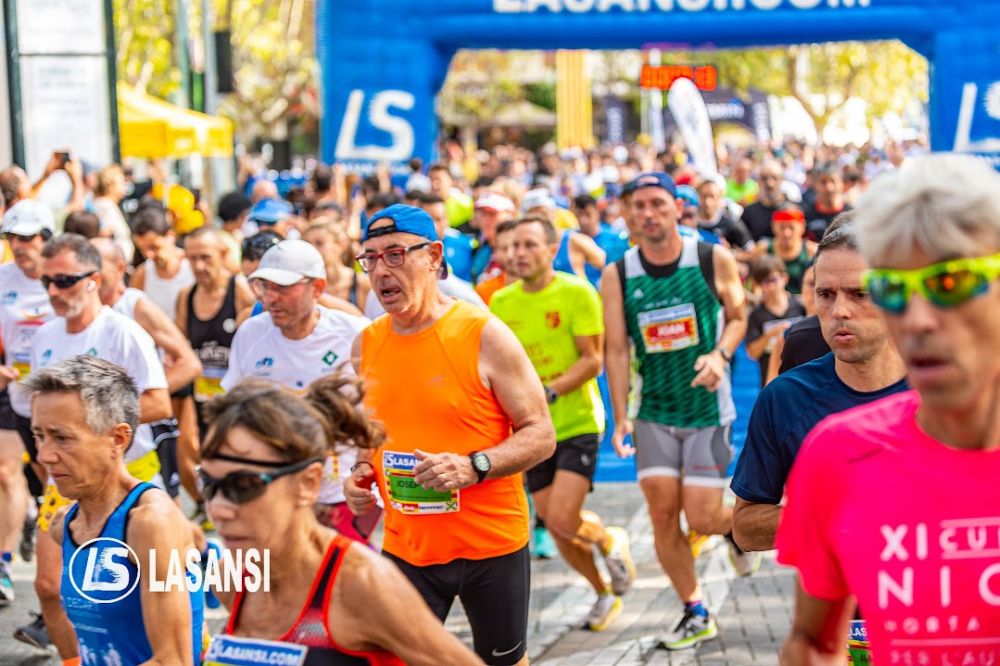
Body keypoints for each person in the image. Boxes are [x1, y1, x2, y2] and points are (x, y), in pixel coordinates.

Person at [777, 154, 1000, 663]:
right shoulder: (838, 454)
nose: (918, 321)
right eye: (893, 291)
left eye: (950, 283)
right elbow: (812, 642)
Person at [345, 203, 555, 665]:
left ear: (435, 256)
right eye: (371, 258)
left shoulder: (483, 335)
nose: (381, 270)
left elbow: (541, 434)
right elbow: (372, 428)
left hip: (490, 544)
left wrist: (474, 466)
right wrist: (362, 468)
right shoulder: (367, 342)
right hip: (408, 546)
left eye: (396, 254)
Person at [199, 378, 481, 665]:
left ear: (308, 484)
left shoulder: (360, 583)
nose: (219, 508)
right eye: (208, 483)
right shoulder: (231, 577)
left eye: (244, 485)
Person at [1, 233, 172, 661]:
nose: (54, 292)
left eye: (65, 281)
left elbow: (159, 401)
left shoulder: (124, 333)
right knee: (48, 587)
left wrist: (89, 425)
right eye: (47, 282)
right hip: (66, 479)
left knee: (127, 594)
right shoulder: (46, 335)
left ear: (95, 280)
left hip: (127, 473)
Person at [602, 172, 753, 650]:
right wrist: (621, 414)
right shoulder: (619, 273)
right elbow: (617, 350)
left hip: (707, 408)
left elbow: (738, 315)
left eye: (657, 204)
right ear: (629, 214)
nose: (648, 214)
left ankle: (735, 531)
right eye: (639, 205)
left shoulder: (710, 257)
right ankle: (695, 609)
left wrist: (720, 355)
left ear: (676, 208)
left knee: (704, 517)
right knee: (663, 515)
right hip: (653, 412)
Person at [490, 216, 635, 631]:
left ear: (552, 250)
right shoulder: (501, 302)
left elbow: (593, 360)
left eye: (529, 245)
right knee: (556, 530)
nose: (518, 254)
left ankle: (610, 541)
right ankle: (602, 592)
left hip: (576, 422)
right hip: (530, 429)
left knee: (562, 518)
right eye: (513, 246)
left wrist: (546, 391)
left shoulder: (577, 292)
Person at [732, 222, 908, 551]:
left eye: (860, 294)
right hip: (832, 598)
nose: (839, 311)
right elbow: (744, 527)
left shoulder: (948, 389)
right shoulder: (784, 398)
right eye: (826, 295)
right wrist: (833, 512)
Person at [25, 356, 203, 664]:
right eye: (39, 436)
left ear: (118, 439)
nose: (44, 455)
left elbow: (173, 660)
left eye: (62, 438)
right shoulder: (66, 524)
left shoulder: (151, 522)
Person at [222, 239, 371, 540]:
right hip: (272, 491)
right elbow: (233, 409)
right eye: (264, 287)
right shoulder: (250, 334)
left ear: (317, 288)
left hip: (337, 492)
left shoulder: (353, 333)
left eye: (283, 288)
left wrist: (363, 469)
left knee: (337, 580)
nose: (271, 298)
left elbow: (380, 409)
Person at [92, 237, 203, 501]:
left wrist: (146, 394)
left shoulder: (134, 304)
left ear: (120, 268)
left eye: (97, 264)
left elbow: (190, 363)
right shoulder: (82, 312)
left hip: (147, 432)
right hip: (106, 445)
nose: (90, 272)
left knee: (163, 506)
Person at [0, 200, 56, 604]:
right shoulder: (3, 278)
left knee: (52, 477)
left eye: (27, 237)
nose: (20, 246)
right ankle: (2, 563)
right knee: (5, 473)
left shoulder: (62, 276)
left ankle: (39, 520)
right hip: (13, 391)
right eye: (12, 238)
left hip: (55, 394)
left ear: (46, 238)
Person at [176, 226, 256, 440]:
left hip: (238, 403)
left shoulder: (240, 290)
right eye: (192, 259)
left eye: (205, 257)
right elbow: (180, 346)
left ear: (222, 254)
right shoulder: (186, 296)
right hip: (203, 401)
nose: (199, 266)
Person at [744, 255, 807, 386]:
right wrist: (770, 334)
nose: (770, 287)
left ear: (784, 278)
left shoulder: (801, 306)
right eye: (764, 282)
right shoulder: (756, 315)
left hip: (803, 377)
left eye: (773, 280)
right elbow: (752, 353)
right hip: (773, 381)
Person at [132, 204, 196, 318]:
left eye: (154, 247)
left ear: (170, 236)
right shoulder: (142, 274)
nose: (148, 255)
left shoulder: (193, 265)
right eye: (142, 249)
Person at [302, 220, 371, 310]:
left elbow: (372, 322)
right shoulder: (304, 286)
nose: (312, 249)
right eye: (308, 244)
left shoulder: (363, 283)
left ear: (341, 245)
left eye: (319, 243)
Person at [572, 194, 630, 287]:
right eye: (579, 214)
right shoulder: (571, 240)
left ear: (597, 212)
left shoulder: (615, 238)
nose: (583, 220)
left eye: (588, 214)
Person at [755, 207, 817, 294]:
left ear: (802, 227)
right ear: (773, 226)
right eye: (781, 227)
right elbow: (756, 285)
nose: (786, 233)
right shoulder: (763, 249)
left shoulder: (812, 251)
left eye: (792, 228)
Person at [421, 193, 476, 283]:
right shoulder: (413, 250)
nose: (433, 225)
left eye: (438, 219)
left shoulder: (467, 244)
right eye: (429, 220)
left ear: (446, 220)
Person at [694, 179, 755, 261]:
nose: (707, 202)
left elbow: (752, 252)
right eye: (704, 196)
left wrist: (731, 254)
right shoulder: (690, 222)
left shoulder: (730, 223)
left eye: (712, 196)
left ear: (719, 198)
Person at [740, 159, 789, 242]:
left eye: (775, 178)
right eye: (764, 178)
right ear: (758, 181)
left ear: (782, 179)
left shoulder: (794, 210)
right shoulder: (749, 212)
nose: (769, 183)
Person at [92, 165, 133, 262]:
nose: (125, 185)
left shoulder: (108, 205)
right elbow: (105, 234)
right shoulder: (104, 206)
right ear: (110, 186)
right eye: (121, 182)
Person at [802, 164, 849, 241]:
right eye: (823, 182)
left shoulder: (851, 215)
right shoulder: (806, 214)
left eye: (833, 181)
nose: (829, 188)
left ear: (842, 184)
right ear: (815, 185)